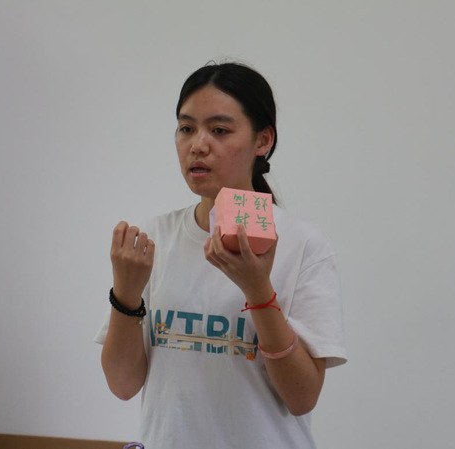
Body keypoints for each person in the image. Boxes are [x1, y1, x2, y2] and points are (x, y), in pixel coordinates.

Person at [95, 62, 347, 449]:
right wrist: (125, 297)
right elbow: (123, 385)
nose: (198, 145)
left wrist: (258, 290)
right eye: (186, 128)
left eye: (219, 130)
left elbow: (302, 398)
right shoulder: (155, 238)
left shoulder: (302, 244)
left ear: (263, 140)